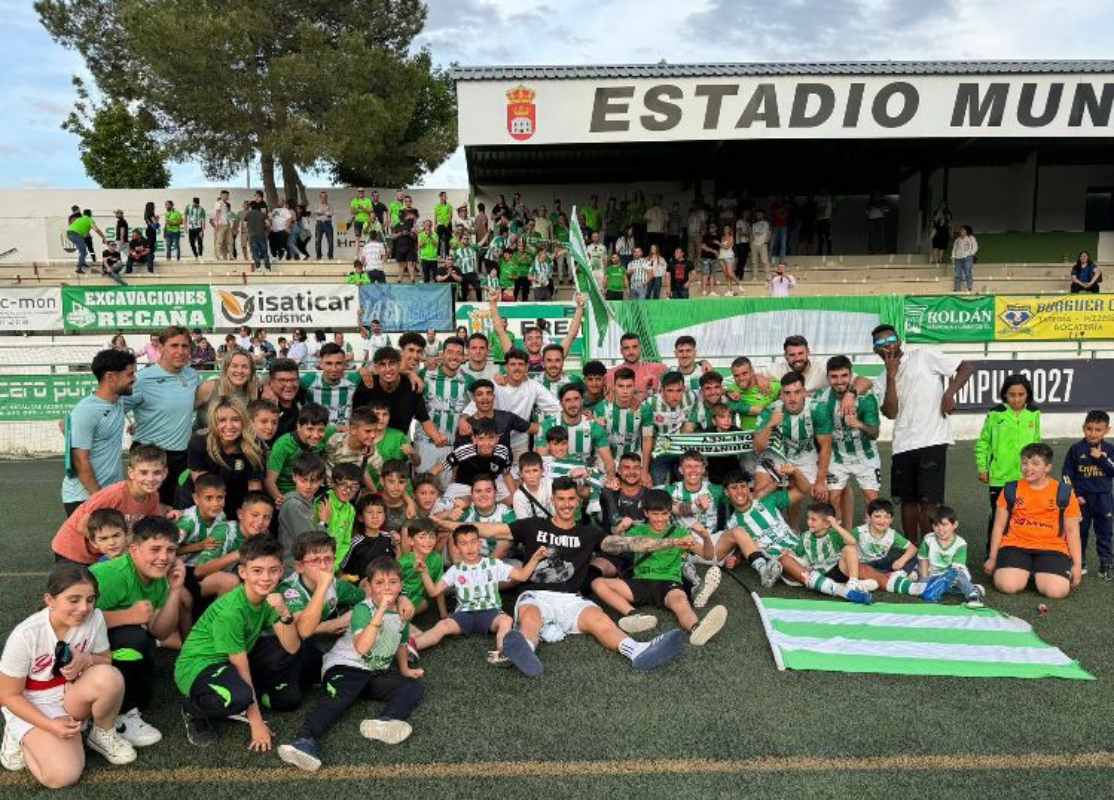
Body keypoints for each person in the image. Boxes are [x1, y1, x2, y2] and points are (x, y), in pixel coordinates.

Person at [435, 478, 689, 678]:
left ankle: (637, 651)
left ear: (577, 502)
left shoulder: (589, 533)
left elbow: (630, 543)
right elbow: (488, 530)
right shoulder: (532, 525)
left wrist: (673, 541)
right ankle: (525, 649)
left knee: (599, 620)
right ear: (553, 500)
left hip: (571, 599)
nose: (566, 504)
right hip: (536, 594)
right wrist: (440, 523)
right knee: (531, 617)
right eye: (561, 499)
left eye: (571, 499)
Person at [275, 556, 424, 772]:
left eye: (393, 582)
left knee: (413, 687)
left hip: (372, 672)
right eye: (379, 583)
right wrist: (381, 610)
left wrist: (404, 669)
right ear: (369, 587)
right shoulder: (364, 610)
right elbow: (362, 648)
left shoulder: (403, 612)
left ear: (401, 586)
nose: (387, 588)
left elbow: (401, 642)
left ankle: (387, 720)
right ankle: (304, 741)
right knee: (337, 701)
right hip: (345, 667)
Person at [0, 564, 137, 786]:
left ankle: (102, 733)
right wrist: (49, 725)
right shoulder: (26, 634)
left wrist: (87, 659)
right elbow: (7, 696)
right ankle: (19, 734)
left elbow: (106, 660)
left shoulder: (96, 618)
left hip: (70, 693)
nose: (84, 608)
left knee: (109, 677)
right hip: (31, 701)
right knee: (61, 776)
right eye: (74, 600)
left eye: (90, 599)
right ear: (50, 600)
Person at [176, 536, 301, 749]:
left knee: (288, 698)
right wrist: (257, 722)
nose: (266, 578)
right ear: (243, 572)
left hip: (234, 658)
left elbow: (292, 647)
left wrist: (284, 613)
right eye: (257, 570)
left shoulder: (273, 598)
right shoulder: (231, 612)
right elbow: (240, 665)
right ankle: (192, 709)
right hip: (199, 666)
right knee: (241, 697)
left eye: (273, 570)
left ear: (281, 571)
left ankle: (246, 695)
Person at [871, 324, 974, 543]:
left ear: (899, 341)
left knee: (929, 503)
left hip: (932, 440)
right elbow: (890, 412)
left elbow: (966, 366)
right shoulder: (880, 379)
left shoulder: (922, 356)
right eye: (880, 343)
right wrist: (890, 376)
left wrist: (949, 394)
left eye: (890, 340)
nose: (887, 345)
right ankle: (912, 549)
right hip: (902, 445)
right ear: (875, 350)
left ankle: (929, 550)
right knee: (908, 502)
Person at [90, 516, 186, 746]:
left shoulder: (159, 578)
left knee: (144, 681)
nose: (164, 557)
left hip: (103, 646)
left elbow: (161, 632)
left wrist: (175, 590)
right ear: (134, 549)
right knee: (134, 638)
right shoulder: (111, 575)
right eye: (155, 549)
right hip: (71, 651)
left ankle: (122, 703)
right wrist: (127, 616)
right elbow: (63, 620)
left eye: (170, 550)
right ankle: (117, 716)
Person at [591, 489, 728, 645]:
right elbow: (613, 545)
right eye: (655, 514)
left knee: (681, 602)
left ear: (670, 513)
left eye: (664, 514)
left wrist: (705, 536)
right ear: (646, 513)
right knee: (597, 583)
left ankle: (696, 629)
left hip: (668, 583)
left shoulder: (680, 532)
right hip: (641, 582)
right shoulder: (637, 530)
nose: (660, 519)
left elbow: (708, 555)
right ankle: (634, 615)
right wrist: (620, 529)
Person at [985, 443, 1082, 599]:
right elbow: (998, 526)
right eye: (1024, 463)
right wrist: (993, 557)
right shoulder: (1011, 489)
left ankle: (1035, 572)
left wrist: (1077, 565)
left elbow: (1072, 531)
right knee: (1007, 586)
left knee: (1056, 592)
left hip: (1052, 547)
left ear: (1048, 467)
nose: (1028, 467)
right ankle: (1026, 572)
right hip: (1015, 544)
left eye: (1035, 463)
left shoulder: (1064, 492)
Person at [123, 326, 202, 505]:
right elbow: (114, 407)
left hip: (182, 457)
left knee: (178, 511)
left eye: (185, 346)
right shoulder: (142, 379)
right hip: (149, 456)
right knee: (146, 513)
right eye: (174, 345)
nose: (180, 351)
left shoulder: (192, 376)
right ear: (161, 347)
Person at [52, 445, 169, 565]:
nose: (150, 479)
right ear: (131, 473)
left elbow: (152, 527)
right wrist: (113, 549)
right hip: (72, 552)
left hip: (104, 554)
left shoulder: (153, 496)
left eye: (157, 472)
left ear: (165, 473)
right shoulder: (113, 495)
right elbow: (82, 526)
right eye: (143, 472)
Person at [62, 348, 136, 517]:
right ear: (111, 377)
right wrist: (99, 498)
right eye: (130, 374)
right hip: (84, 497)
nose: (134, 379)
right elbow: (80, 461)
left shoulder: (119, 402)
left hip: (111, 493)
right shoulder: (85, 411)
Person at [975, 374, 1041, 560]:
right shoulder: (995, 414)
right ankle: (993, 554)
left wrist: (1037, 470)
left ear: (1028, 395)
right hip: (1000, 477)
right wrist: (983, 467)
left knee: (1024, 515)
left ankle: (1020, 552)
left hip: (1026, 477)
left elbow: (1037, 444)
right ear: (1004, 394)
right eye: (1012, 394)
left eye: (1021, 394)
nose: (1017, 398)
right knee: (999, 517)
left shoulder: (1034, 413)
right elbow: (983, 443)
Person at [817, 355, 882, 528]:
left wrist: (858, 424)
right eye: (834, 376)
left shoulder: (866, 398)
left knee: (872, 500)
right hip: (837, 457)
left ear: (851, 375)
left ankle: (870, 539)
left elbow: (875, 433)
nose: (839, 381)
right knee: (833, 499)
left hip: (865, 455)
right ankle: (839, 537)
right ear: (828, 377)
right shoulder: (822, 400)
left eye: (844, 376)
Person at [186, 397, 266, 518]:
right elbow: (203, 487)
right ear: (213, 422)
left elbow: (254, 490)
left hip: (236, 498)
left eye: (235, 419)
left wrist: (254, 516)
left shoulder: (254, 446)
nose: (229, 426)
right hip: (202, 500)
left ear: (244, 421)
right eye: (222, 420)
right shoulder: (199, 441)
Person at [1062, 410, 1114, 579]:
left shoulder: (1110, 450)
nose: (1093, 433)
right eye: (1089, 429)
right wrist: (1075, 495)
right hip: (1081, 500)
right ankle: (1079, 561)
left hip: (1103, 499)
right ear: (1083, 428)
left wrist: (1101, 459)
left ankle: (1105, 563)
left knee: (1105, 533)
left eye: (1098, 430)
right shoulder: (1076, 449)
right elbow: (1066, 475)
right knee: (1080, 532)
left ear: (1107, 430)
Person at [919, 506, 986, 606]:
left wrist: (941, 581)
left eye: (944, 524)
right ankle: (974, 588)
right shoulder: (928, 539)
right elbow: (923, 560)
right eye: (936, 525)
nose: (940, 528)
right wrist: (924, 579)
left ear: (955, 525)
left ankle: (972, 594)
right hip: (935, 574)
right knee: (923, 585)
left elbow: (956, 568)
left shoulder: (960, 544)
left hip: (955, 574)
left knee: (957, 576)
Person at [265, 406, 330, 508]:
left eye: (321, 430)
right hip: (288, 494)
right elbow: (269, 481)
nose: (316, 435)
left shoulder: (327, 434)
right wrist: (280, 500)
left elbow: (344, 429)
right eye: (310, 429)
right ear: (298, 426)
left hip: (312, 488)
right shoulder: (283, 445)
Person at [66, 209, 105, 274]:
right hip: (75, 234)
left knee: (83, 251)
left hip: (69, 233)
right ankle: (79, 268)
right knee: (83, 252)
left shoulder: (79, 218)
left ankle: (83, 263)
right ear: (90, 214)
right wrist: (103, 237)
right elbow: (96, 230)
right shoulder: (89, 219)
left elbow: (78, 227)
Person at [243, 200, 271, 272]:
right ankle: (267, 267)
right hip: (261, 234)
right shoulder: (262, 214)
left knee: (254, 251)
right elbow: (268, 224)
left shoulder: (248, 214)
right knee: (264, 250)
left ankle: (258, 267)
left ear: (251, 207)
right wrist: (265, 228)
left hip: (252, 235)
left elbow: (245, 225)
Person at [951, 225, 978, 293]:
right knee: (957, 274)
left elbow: (975, 247)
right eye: (961, 230)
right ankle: (957, 288)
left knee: (968, 272)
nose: (961, 231)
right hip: (958, 258)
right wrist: (953, 256)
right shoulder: (957, 239)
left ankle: (969, 287)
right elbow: (954, 248)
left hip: (967, 258)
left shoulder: (971, 238)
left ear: (966, 231)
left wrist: (971, 254)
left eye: (963, 230)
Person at [210, 190, 232, 261]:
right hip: (220, 224)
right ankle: (218, 256)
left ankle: (230, 256)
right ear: (221, 195)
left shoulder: (226, 204)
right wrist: (216, 224)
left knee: (229, 241)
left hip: (227, 224)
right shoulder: (218, 203)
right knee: (219, 241)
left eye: (227, 195)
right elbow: (217, 213)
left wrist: (229, 222)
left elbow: (227, 215)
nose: (227, 197)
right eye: (225, 195)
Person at [314, 191, 334, 260]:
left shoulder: (330, 205)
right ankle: (318, 256)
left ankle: (330, 256)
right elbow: (316, 213)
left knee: (330, 240)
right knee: (318, 240)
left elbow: (330, 214)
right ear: (320, 197)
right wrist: (325, 212)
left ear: (327, 197)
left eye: (325, 197)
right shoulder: (317, 205)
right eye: (322, 197)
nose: (324, 198)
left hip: (328, 223)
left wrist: (322, 212)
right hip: (319, 224)